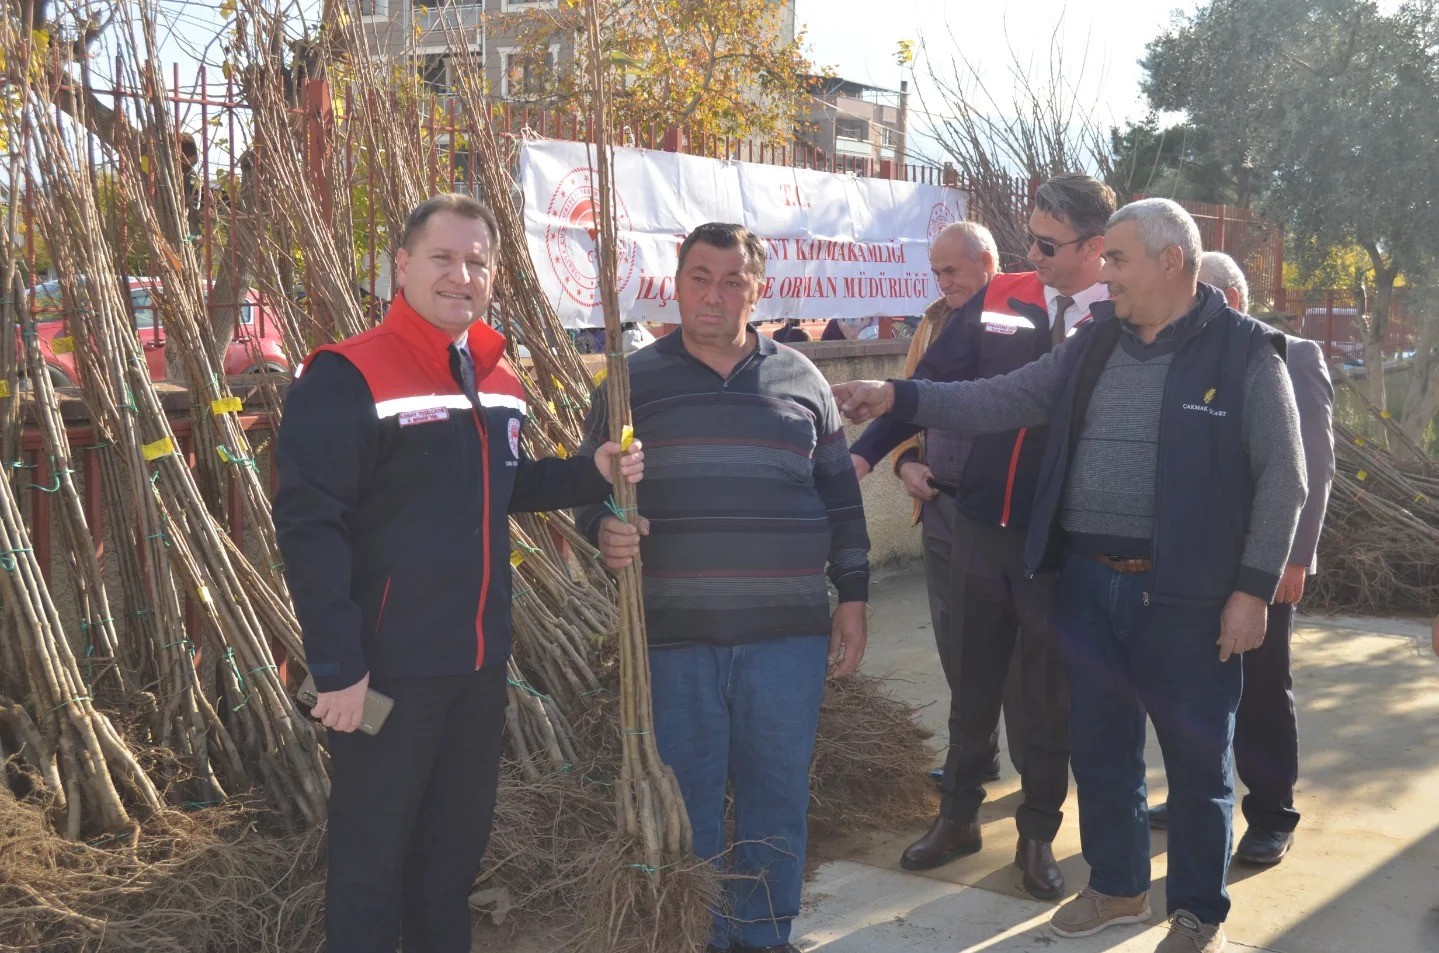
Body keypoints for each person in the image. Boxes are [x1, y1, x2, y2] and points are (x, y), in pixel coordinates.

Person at [834, 198, 1307, 953]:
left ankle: (1194, 911)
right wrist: (901, 397)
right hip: (1087, 580)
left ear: (1170, 262)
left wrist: (1251, 589)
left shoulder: (1245, 351)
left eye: (1116, 259)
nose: (1104, 274)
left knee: (1195, 759)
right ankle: (1117, 888)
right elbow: (1004, 397)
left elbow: (1285, 478)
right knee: (1101, 748)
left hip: (1189, 593)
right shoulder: (1094, 344)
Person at [273, 193, 643, 953]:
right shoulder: (348, 374)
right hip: (384, 672)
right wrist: (337, 665)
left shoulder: (497, 380)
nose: (460, 274)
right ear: (402, 266)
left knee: (449, 861)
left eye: (476, 261)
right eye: (442, 258)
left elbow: (498, 487)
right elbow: (311, 528)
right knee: (371, 864)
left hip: (477, 664)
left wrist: (588, 471)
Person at [581, 222, 870, 953]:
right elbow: (592, 492)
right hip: (675, 638)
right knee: (692, 806)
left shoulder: (802, 380)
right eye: (699, 278)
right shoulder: (628, 385)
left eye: (732, 279)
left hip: (787, 637)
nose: (714, 294)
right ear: (674, 286)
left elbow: (841, 501)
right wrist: (604, 530)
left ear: (759, 289)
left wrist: (855, 599)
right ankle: (703, 937)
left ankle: (763, 935)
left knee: (776, 798)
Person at [849, 177, 1117, 901]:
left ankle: (1036, 835)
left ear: (1096, 248)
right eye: (1028, 237)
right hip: (978, 530)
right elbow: (928, 383)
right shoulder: (1001, 299)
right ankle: (957, 817)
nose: (1028, 254)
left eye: (1045, 243)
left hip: (1060, 548)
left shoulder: (1123, 318)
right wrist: (865, 455)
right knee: (971, 683)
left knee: (1043, 699)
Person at [1145, 251, 1335, 868]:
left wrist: (1294, 560)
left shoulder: (1289, 355)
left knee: (1260, 691)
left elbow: (1310, 467)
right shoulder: (1176, 358)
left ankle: (1272, 812)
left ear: (1223, 298)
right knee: (1187, 686)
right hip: (1187, 563)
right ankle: (1197, 794)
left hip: (1262, 560)